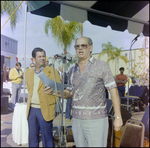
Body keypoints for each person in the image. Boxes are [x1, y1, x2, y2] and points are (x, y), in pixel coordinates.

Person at [45, 36, 123, 147]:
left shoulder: (101, 66)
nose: (80, 48)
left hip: (96, 120)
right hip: (77, 121)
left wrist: (118, 117)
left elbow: (113, 91)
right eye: (77, 46)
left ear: (90, 48)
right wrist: (53, 92)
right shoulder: (73, 70)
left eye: (83, 45)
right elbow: (70, 93)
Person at [25, 47, 61, 147]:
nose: (42, 58)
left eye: (44, 56)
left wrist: (52, 94)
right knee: (32, 139)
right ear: (33, 59)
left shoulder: (52, 71)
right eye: (39, 56)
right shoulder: (28, 73)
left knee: (47, 139)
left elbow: (60, 90)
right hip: (31, 110)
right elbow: (29, 89)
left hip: (45, 109)